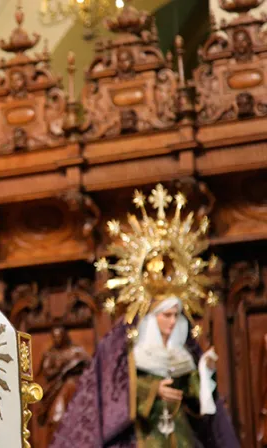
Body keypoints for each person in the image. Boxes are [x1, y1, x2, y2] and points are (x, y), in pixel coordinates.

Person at [49, 184, 239, 448]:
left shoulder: (185, 348)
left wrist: (204, 376)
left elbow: (203, 412)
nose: (173, 322)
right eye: (167, 315)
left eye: (176, 315)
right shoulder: (122, 341)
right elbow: (107, 401)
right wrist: (151, 393)